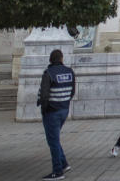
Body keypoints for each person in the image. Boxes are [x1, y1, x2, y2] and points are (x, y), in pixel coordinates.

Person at [37, 49, 76, 181]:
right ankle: (64, 164)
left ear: (50, 60)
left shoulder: (48, 73)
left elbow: (44, 96)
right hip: (64, 109)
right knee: (54, 139)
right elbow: (72, 92)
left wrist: (44, 110)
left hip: (52, 112)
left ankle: (57, 171)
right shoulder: (70, 72)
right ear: (61, 58)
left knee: (52, 141)